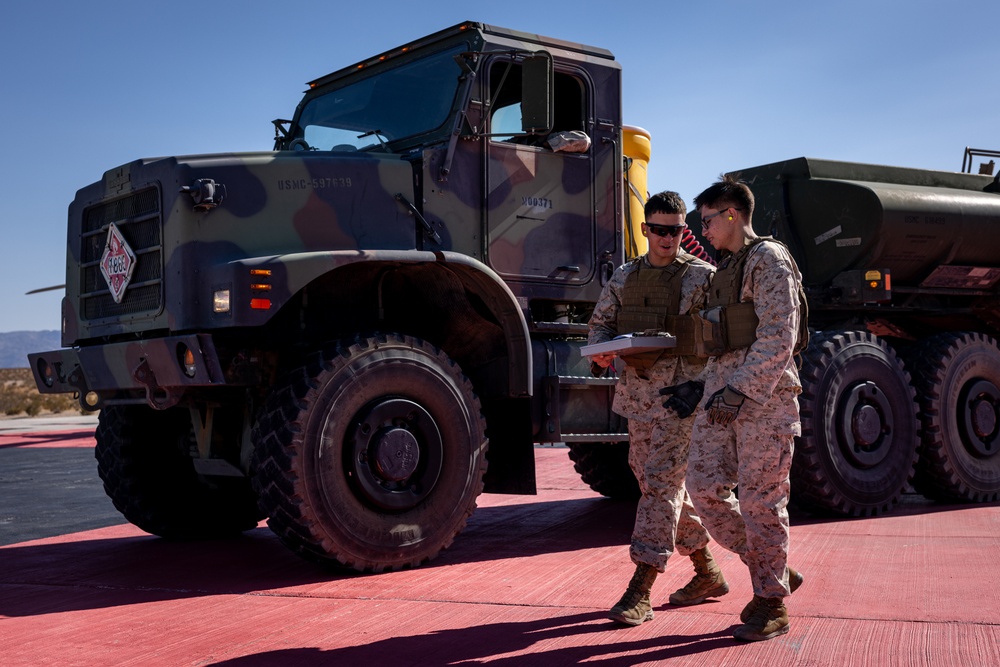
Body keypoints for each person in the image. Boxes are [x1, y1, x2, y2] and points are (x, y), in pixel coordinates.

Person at [662, 175, 806, 642]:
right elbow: (722, 341)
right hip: (721, 397)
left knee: (762, 500)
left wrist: (739, 390)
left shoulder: (768, 259)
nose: (701, 230)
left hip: (762, 401)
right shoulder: (727, 267)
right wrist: (701, 385)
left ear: (731, 214)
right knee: (703, 489)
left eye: (707, 221)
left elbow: (778, 336)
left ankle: (771, 601)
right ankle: (773, 566)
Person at [587, 190, 724, 627]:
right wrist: (601, 351)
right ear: (645, 229)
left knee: (660, 487)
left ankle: (641, 588)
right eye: (661, 230)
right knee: (653, 482)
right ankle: (707, 572)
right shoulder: (626, 277)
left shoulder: (702, 277)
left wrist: (700, 387)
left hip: (681, 401)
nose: (669, 238)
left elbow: (725, 343)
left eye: (678, 230)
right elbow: (601, 324)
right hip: (639, 398)